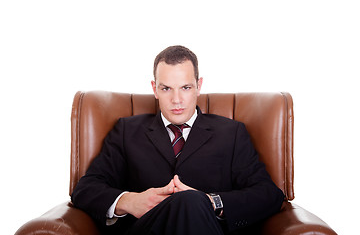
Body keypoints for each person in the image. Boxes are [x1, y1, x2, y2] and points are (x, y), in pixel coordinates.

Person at [71, 45, 284, 235]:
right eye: (166, 89)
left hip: (209, 226)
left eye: (185, 88)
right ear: (155, 89)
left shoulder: (232, 133)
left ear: (198, 86)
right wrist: (129, 201)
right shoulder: (127, 131)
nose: (176, 100)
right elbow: (85, 189)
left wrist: (212, 202)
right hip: (146, 228)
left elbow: (269, 195)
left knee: (191, 201)